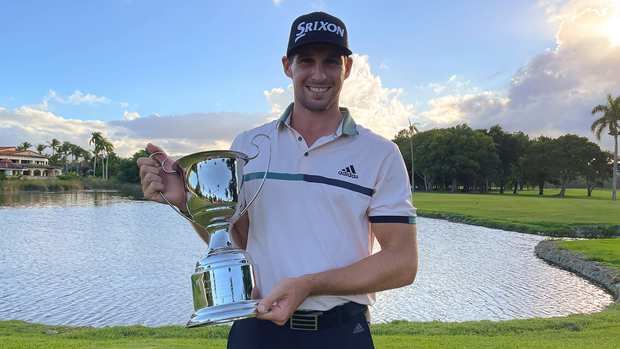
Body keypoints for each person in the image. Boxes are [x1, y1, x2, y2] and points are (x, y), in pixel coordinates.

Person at [137, 11, 418, 349]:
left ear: (348, 68)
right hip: (257, 329)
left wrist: (310, 284)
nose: (318, 74)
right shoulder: (249, 146)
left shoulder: (380, 153)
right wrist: (189, 202)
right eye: (306, 61)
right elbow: (234, 239)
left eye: (331, 61)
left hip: (340, 333)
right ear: (288, 66)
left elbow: (402, 262)